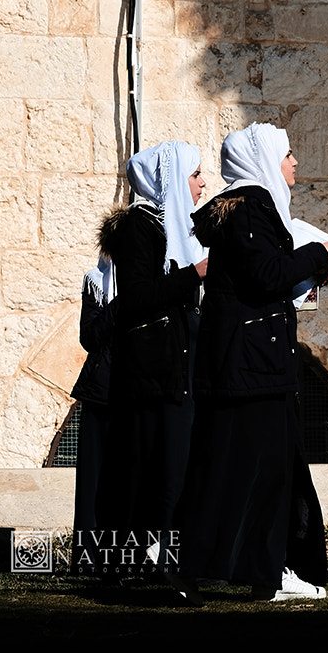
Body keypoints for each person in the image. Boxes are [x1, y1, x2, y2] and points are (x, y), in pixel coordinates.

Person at [179, 123, 328, 602]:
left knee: (256, 470)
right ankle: (241, 569)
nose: (295, 163)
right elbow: (266, 275)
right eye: (287, 154)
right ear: (265, 159)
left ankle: (266, 569)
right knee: (259, 473)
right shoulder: (252, 207)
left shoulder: (248, 209)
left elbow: (257, 277)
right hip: (252, 367)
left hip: (252, 364)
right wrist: (317, 253)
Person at [93, 141, 207, 576]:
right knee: (147, 466)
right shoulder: (139, 228)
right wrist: (193, 275)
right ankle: (135, 558)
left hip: (175, 366)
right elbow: (138, 296)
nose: (201, 183)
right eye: (194, 175)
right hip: (151, 370)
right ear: (171, 179)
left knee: (173, 464)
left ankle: (164, 554)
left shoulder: (176, 226)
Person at [70, 258, 118, 573]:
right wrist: (119, 303)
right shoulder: (96, 282)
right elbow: (89, 337)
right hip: (102, 392)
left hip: (143, 391)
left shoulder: (161, 281)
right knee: (94, 478)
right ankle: (90, 559)